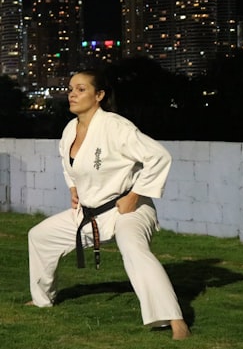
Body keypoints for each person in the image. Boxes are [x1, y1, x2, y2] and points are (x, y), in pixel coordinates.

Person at [26, 68, 191, 340]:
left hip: (129, 209)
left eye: (81, 89)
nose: (72, 94)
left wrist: (135, 195)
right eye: (70, 89)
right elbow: (67, 164)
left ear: (99, 95)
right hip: (91, 212)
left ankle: (175, 320)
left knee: (133, 250)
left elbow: (159, 156)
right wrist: (73, 187)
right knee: (40, 236)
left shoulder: (116, 127)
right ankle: (42, 299)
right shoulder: (70, 129)